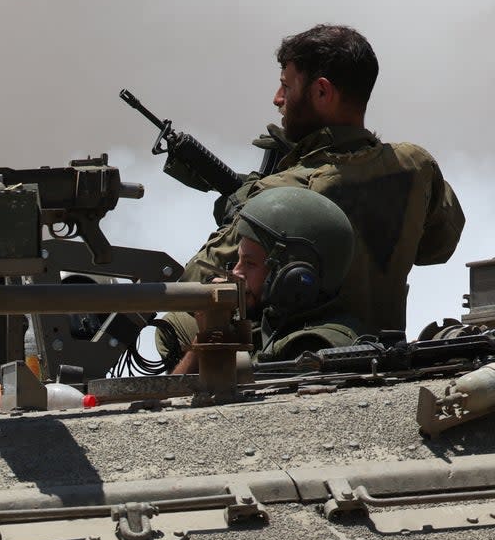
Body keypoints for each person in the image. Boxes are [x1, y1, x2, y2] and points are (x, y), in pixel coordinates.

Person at [158, 24, 464, 366]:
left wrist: (245, 209)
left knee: (174, 328)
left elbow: (194, 285)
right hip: (387, 347)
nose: (277, 99)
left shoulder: (283, 192)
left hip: (299, 358)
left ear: (321, 92)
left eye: (286, 87)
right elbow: (438, 248)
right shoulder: (416, 165)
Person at [168, 187, 358, 373]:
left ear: (294, 278)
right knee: (173, 324)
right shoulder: (276, 317)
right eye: (239, 259)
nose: (236, 271)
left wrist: (203, 343)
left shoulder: (307, 346)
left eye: (249, 264)